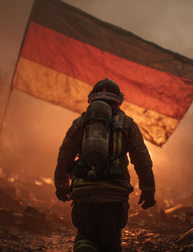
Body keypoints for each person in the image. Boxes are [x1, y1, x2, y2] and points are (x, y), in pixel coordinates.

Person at [54, 78, 156, 251]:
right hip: (114, 195)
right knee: (111, 242)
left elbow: (65, 155)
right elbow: (141, 159)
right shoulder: (128, 124)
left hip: (83, 192)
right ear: (119, 101)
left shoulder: (81, 123)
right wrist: (148, 189)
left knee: (85, 235)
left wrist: (61, 185)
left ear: (91, 99)